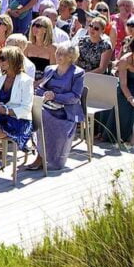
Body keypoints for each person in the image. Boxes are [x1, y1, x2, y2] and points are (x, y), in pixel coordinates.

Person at [0, 45, 34, 182]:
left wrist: (6, 110)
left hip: (18, 121)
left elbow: (26, 108)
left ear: (13, 60)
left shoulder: (26, 81)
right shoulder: (0, 78)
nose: (0, 62)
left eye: (3, 59)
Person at [34, 42, 86, 171]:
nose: (58, 56)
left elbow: (75, 96)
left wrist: (55, 96)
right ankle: (39, 152)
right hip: (48, 105)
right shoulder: (50, 69)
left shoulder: (78, 73)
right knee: (33, 112)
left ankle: (43, 157)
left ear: (70, 57)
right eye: (57, 53)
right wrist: (46, 94)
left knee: (41, 116)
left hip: (65, 110)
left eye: (62, 54)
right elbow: (40, 89)